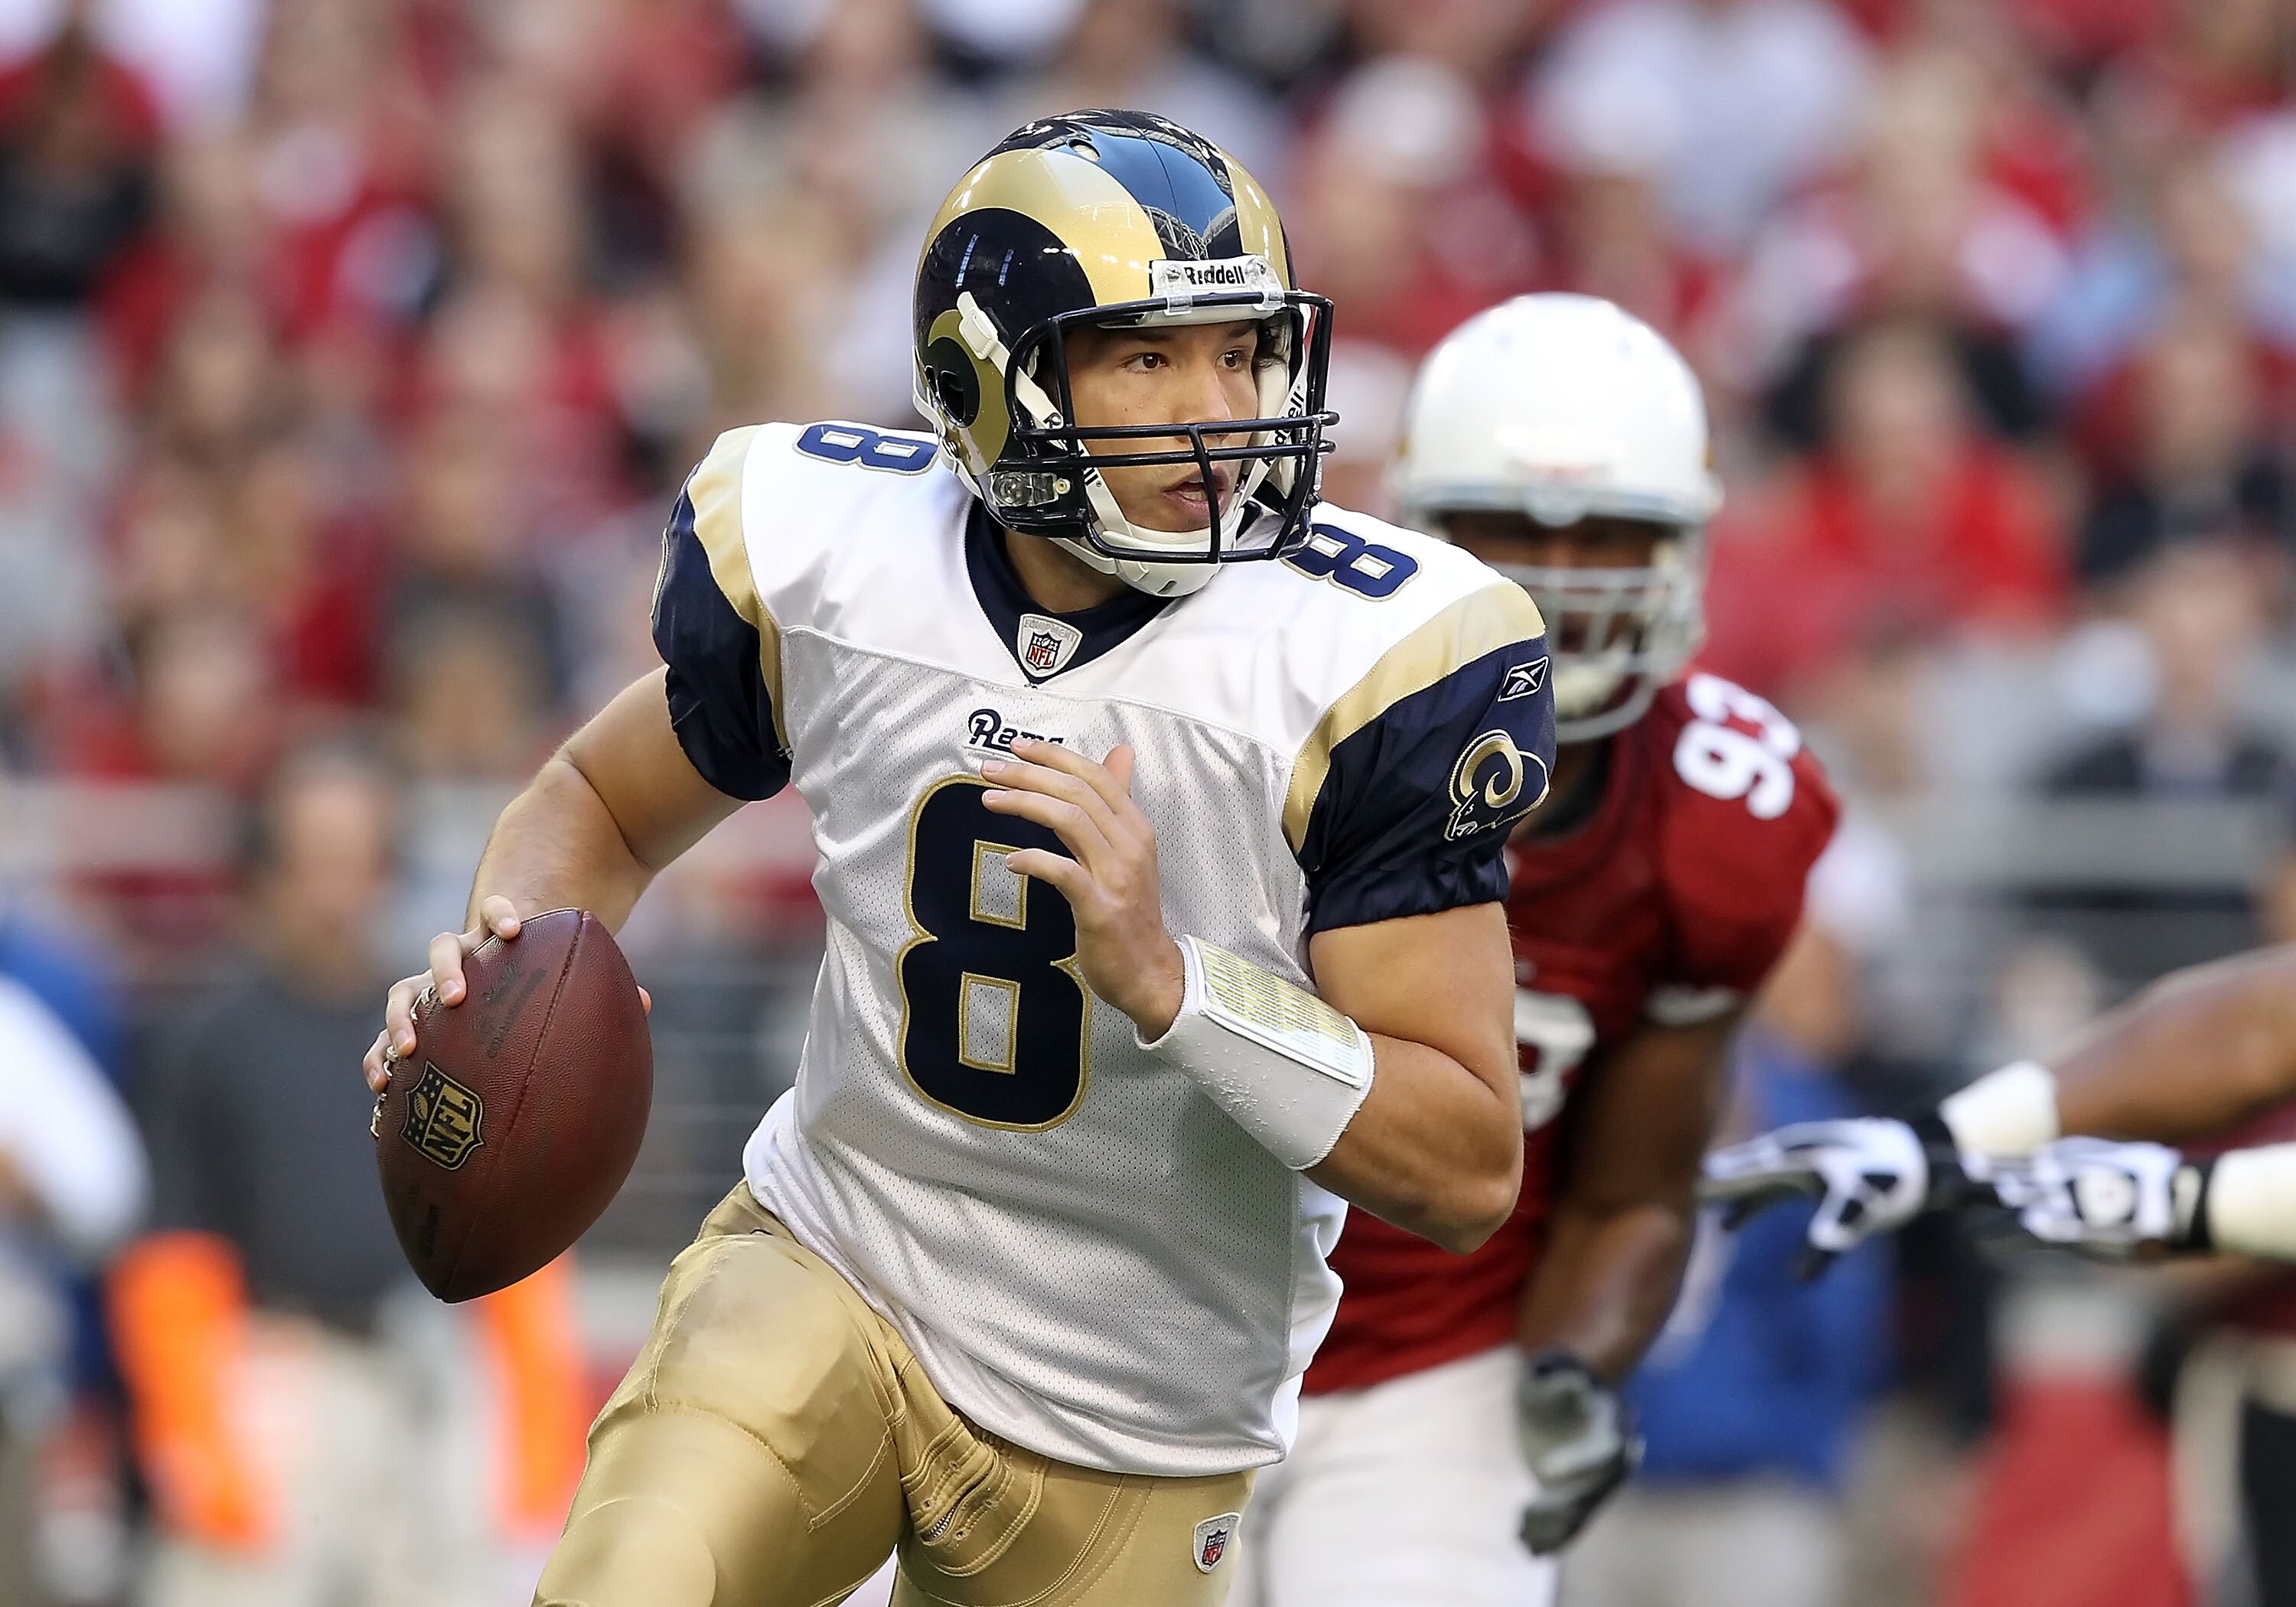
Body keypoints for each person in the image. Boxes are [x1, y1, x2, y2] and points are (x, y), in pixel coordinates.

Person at [362, 110, 1554, 1607]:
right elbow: (595, 804)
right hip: (837, 1270)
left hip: (1140, 1417)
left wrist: (1176, 986)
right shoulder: (847, 559)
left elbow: (1464, 1157)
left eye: (1244, 351)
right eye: (1146, 357)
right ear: (992, 384)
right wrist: (509, 975)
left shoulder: (1366, 663)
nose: (1218, 408)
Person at [1231, 294, 1839, 1607]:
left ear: (1683, 551)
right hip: (1158, 1325)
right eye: (1510, 529)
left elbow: (1633, 1190)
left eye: (1608, 536)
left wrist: (1573, 1374)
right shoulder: (1260, 699)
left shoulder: (1719, 818)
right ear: (1418, 535)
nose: (1557, 580)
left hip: (1438, 1377)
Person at [113, 743, 585, 1607]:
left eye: (356, 861)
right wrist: (196, 1438)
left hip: (428, 1373)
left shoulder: (445, 1028)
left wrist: (538, 1433)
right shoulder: (207, 1037)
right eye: (311, 861)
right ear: (264, 875)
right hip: (278, 1377)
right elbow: (170, 1251)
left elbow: (511, 1232)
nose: (335, 890)